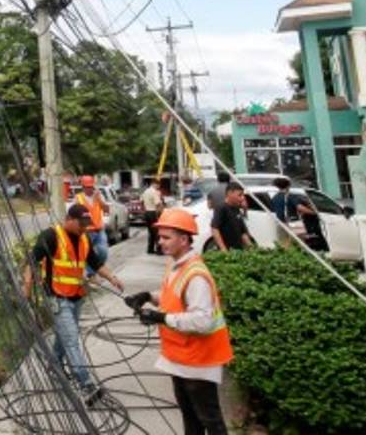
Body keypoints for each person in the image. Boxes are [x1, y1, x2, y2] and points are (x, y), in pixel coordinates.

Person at [127, 208, 233, 435]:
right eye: (160, 236)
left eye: (166, 237)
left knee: (210, 421)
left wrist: (161, 318)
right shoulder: (177, 265)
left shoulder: (196, 275)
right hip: (182, 358)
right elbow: (174, 297)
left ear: (184, 240)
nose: (160, 242)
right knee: (191, 419)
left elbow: (202, 320)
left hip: (199, 361)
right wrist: (148, 297)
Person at [23, 203, 125, 405]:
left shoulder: (85, 239)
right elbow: (32, 261)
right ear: (69, 219)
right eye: (81, 223)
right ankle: (86, 386)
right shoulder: (51, 236)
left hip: (77, 297)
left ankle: (54, 368)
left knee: (63, 338)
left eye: (87, 224)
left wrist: (112, 278)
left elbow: (96, 264)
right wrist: (26, 289)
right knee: (71, 341)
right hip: (57, 298)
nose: (84, 228)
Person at [269, 177, 327, 252]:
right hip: (293, 222)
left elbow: (274, 210)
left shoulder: (275, 197)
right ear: (288, 186)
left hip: (281, 224)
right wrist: (314, 212)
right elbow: (300, 207)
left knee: (285, 245)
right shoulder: (290, 196)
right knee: (301, 244)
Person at [74, 175, 109, 272]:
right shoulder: (78, 198)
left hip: (99, 229)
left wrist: (99, 199)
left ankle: (94, 271)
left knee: (103, 252)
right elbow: (75, 213)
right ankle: (91, 274)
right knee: (87, 254)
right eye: (87, 187)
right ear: (83, 187)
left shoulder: (98, 195)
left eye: (91, 187)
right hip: (86, 231)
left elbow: (106, 210)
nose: (90, 189)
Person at [210, 183, 252, 251]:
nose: (243, 197)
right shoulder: (221, 208)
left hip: (238, 251)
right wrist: (223, 249)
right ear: (230, 193)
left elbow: (242, 232)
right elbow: (214, 229)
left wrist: (251, 247)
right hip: (228, 252)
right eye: (239, 195)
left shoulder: (236, 208)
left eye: (242, 195)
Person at [142, 178, 164, 254]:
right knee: (157, 232)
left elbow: (141, 201)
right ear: (155, 184)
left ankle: (150, 249)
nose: (159, 187)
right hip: (153, 213)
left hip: (147, 213)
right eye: (158, 185)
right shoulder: (154, 192)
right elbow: (158, 204)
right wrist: (161, 213)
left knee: (151, 232)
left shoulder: (146, 191)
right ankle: (159, 250)